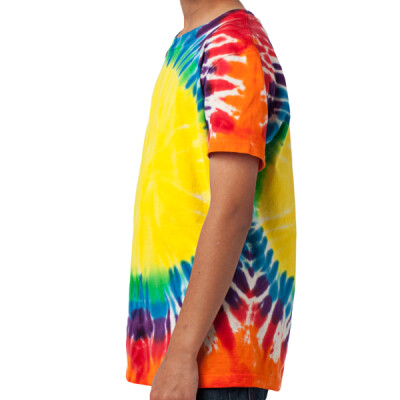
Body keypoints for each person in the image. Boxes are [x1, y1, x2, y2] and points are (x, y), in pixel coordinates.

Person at [125, 1, 296, 399]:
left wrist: (183, 353)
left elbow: (232, 209)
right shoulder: (192, 42)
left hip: (213, 353)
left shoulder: (233, 46)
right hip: (183, 344)